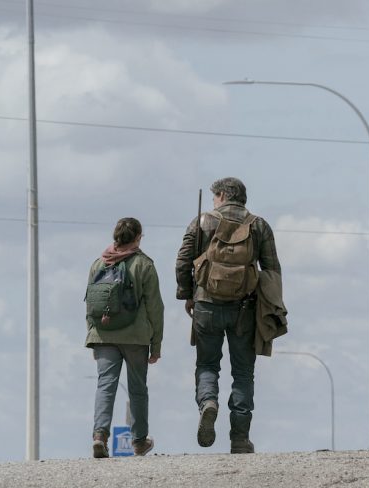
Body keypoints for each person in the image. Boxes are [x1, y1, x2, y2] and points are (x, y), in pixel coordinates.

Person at [175, 177, 284, 454]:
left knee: (208, 365)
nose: (214, 201)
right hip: (244, 309)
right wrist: (271, 309)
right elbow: (272, 270)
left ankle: (208, 402)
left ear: (223, 195)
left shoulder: (202, 221)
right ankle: (239, 437)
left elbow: (183, 260)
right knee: (243, 373)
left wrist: (188, 294)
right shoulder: (259, 225)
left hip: (206, 305)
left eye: (215, 197)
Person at [85, 217, 164, 458]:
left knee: (105, 386)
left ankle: (100, 436)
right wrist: (156, 345)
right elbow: (155, 307)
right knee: (137, 389)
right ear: (138, 237)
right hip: (135, 336)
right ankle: (139, 441)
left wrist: (93, 333)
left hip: (103, 334)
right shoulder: (144, 265)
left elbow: (90, 302)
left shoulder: (99, 263)